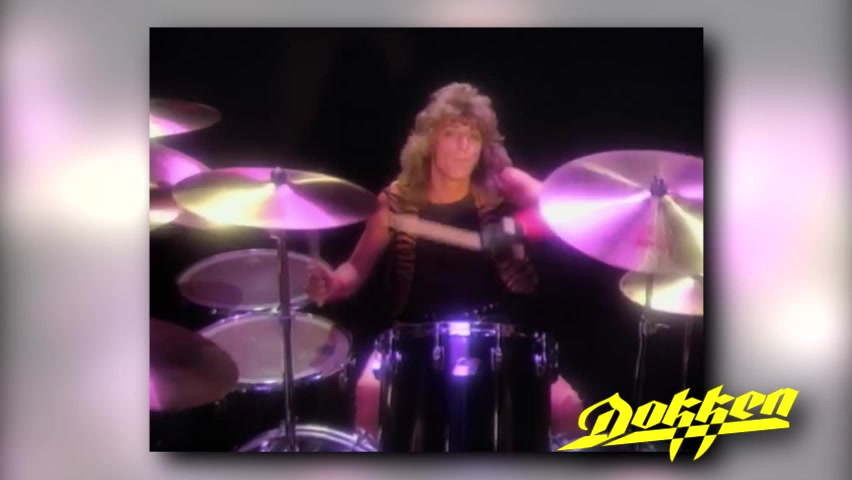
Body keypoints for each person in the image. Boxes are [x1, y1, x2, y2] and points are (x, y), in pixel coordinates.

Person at [305, 82, 584, 443]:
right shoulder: (396, 200)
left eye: (473, 136)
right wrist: (335, 283)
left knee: (567, 406)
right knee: (369, 391)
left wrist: (521, 225)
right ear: (430, 141)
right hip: (413, 333)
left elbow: (564, 208)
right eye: (452, 134)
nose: (464, 146)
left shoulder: (499, 184)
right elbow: (355, 269)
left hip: (495, 331)